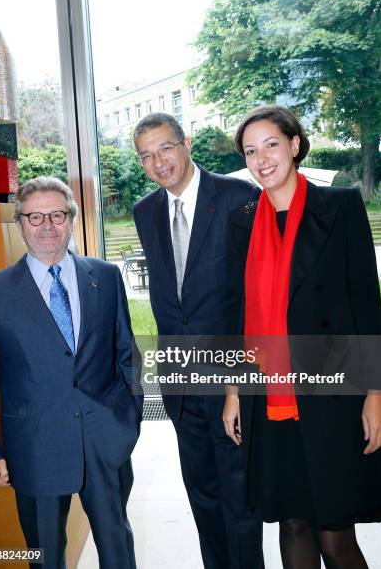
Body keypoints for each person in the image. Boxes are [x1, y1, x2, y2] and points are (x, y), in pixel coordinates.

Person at [223, 105, 381, 569]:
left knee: (334, 532)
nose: (261, 159)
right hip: (267, 395)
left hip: (331, 393)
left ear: (294, 146)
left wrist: (376, 393)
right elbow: (240, 315)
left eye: (271, 144)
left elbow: (366, 304)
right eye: (250, 151)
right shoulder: (242, 220)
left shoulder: (341, 206)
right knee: (291, 523)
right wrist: (233, 391)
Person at [0, 176, 143, 569]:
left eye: (57, 214)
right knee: (45, 555)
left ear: (71, 219)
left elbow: (127, 355)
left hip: (105, 439)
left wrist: (129, 419)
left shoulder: (105, 276)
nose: (47, 226)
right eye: (35, 217)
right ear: (19, 223)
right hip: (34, 446)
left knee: (117, 544)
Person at [133, 112, 263, 569]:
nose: (158, 162)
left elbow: (256, 295)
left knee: (240, 500)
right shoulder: (145, 211)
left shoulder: (238, 197)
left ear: (186, 144)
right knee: (203, 497)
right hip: (181, 384)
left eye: (165, 148)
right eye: (146, 155)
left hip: (232, 380)